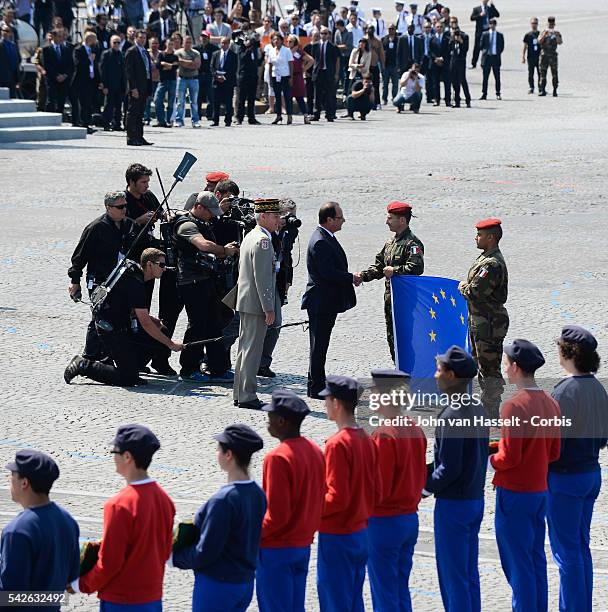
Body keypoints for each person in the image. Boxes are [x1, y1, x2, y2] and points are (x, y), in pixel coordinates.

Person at [70, 425, 176, 609]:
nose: (112, 457)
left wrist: (79, 585)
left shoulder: (118, 505)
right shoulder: (165, 500)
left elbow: (110, 563)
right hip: (152, 598)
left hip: (121, 601)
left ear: (127, 457)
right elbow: (165, 551)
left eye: (114, 451)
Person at [489, 339, 561, 612]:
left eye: (507, 364)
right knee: (534, 559)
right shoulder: (551, 404)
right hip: (539, 490)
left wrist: (490, 460)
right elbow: (553, 452)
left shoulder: (513, 406)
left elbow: (509, 458)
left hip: (514, 492)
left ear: (516, 368)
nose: (505, 369)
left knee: (517, 565)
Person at [172, 424, 266, 611]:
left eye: (218, 449)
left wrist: (173, 557)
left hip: (217, 585)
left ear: (228, 455)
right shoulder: (258, 494)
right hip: (244, 583)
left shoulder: (222, 501)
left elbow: (205, 552)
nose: (216, 453)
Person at [547, 326, 608, 612]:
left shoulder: (564, 391)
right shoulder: (598, 388)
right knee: (580, 548)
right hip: (590, 472)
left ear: (568, 352)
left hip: (565, 478)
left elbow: (552, 443)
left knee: (566, 551)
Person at [424, 346, 489, 612]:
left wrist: (421, 489)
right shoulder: (477, 408)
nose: (435, 374)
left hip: (453, 505)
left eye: (439, 370)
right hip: (474, 498)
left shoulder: (450, 415)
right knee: (468, 575)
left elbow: (448, 468)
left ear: (451, 376)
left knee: (453, 579)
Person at [64, 248, 183, 386]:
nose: (164, 268)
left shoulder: (135, 274)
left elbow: (129, 306)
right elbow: (145, 323)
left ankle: (132, 366)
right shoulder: (136, 284)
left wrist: (152, 320)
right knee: (128, 378)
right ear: (149, 264)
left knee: (161, 330)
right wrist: (171, 344)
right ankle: (83, 365)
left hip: (120, 322)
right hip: (111, 328)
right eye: (161, 265)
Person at [256, 389, 325, 612]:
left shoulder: (277, 458)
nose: (267, 422)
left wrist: (251, 536)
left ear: (282, 421)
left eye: (270, 418)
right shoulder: (315, 451)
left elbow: (276, 516)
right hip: (302, 544)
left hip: (277, 550)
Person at [367, 369, 426, 612]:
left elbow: (378, 489)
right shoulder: (415, 429)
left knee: (385, 593)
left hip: (384, 522)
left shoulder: (383, 434)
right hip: (409, 518)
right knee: (400, 588)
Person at [317, 375, 378, 611]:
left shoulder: (337, 444)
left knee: (335, 600)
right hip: (360, 531)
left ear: (336, 403)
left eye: (327, 400)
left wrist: (309, 511)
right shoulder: (367, 439)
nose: (324, 405)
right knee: (353, 599)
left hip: (337, 534)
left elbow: (335, 497)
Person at [223, 199, 282, 410]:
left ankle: (240, 392)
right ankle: (248, 395)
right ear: (263, 216)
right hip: (257, 303)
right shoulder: (263, 241)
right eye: (275, 216)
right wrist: (269, 308)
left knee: (244, 349)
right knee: (252, 351)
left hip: (246, 301)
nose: (279, 220)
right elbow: (263, 279)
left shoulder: (252, 236)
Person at [173, 192, 237, 382]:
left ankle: (218, 367)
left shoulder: (203, 221)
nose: (212, 216)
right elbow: (203, 245)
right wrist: (225, 250)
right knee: (197, 325)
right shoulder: (186, 225)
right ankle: (188, 368)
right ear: (200, 207)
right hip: (191, 281)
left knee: (213, 324)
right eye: (210, 212)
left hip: (206, 278)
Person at [67, 191, 138, 361]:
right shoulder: (96, 228)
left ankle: (111, 355)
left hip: (122, 279)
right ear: (108, 207)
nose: (124, 210)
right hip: (100, 280)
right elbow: (79, 257)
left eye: (125, 206)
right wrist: (75, 281)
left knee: (120, 316)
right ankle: (90, 356)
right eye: (120, 207)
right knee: (100, 316)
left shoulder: (129, 225)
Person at [0, 450, 79, 601]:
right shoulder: (68, 521)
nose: (9, 481)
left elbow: (10, 597)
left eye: (12, 476)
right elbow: (71, 579)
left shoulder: (16, 531)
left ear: (24, 483)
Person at [301, 202, 357, 399]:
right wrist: (351, 277)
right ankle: (316, 386)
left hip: (326, 301)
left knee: (321, 344)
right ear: (329, 219)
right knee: (318, 345)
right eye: (340, 218)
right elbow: (328, 272)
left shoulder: (326, 237)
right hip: (321, 302)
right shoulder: (320, 241)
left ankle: (317, 382)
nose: (343, 221)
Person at [358, 201, 424, 362]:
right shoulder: (390, 243)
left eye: (390, 218)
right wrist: (362, 276)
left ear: (402, 220)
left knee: (406, 340)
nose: (387, 221)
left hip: (405, 302)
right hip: (391, 300)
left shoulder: (412, 243)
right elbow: (380, 265)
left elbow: (416, 268)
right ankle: (399, 373)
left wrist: (395, 270)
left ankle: (410, 378)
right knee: (393, 339)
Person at [458, 217, 508, 418]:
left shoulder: (492, 264)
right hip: (481, 321)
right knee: (482, 366)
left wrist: (463, 287)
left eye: (479, 234)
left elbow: (475, 292)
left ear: (491, 237)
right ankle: (487, 408)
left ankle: (491, 411)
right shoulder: (485, 258)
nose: (476, 237)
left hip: (489, 323)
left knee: (490, 369)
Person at [258, 199, 300, 377]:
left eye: (293, 215)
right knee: (242, 323)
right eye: (285, 215)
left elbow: (287, 255)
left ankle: (263, 363)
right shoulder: (264, 230)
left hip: (278, 279)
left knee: (275, 323)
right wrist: (276, 229)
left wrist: (288, 281)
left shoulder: (292, 229)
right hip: (261, 279)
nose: (290, 219)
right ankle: (215, 358)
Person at [125, 29, 153, 145]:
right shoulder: (131, 51)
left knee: (140, 113)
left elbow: (148, 70)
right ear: (135, 38)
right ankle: (131, 137)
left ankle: (139, 136)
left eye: (144, 38)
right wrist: (133, 88)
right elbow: (129, 72)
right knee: (133, 112)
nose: (142, 40)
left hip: (144, 85)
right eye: (140, 37)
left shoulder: (145, 52)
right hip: (136, 87)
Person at [71, 31, 100, 134]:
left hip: (90, 80)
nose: (95, 42)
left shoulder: (92, 49)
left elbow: (95, 65)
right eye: (94, 39)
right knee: (82, 102)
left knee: (88, 103)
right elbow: (78, 63)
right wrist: (88, 59)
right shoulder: (78, 49)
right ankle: (81, 123)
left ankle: (87, 123)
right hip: (81, 80)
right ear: (89, 39)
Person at [310, 27, 339, 122]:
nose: (323, 35)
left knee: (329, 94)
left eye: (325, 33)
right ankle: (316, 114)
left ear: (329, 35)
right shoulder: (315, 45)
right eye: (322, 33)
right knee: (317, 94)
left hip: (328, 72)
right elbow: (313, 59)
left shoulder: (333, 46)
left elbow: (337, 61)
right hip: (318, 72)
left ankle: (329, 114)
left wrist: (336, 74)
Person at [43, 28, 73, 116]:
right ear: (53, 37)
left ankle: (59, 117)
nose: (62, 38)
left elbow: (70, 64)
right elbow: (47, 65)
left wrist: (65, 75)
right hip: (52, 79)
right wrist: (56, 75)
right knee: (51, 100)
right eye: (59, 36)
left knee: (61, 100)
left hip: (63, 79)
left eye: (62, 36)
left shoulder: (66, 49)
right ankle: (49, 118)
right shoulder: (46, 49)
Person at [174, 35, 202, 128]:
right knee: (180, 102)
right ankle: (179, 120)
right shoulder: (178, 52)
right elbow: (177, 63)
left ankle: (195, 120)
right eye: (186, 42)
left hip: (193, 79)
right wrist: (190, 63)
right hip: (182, 79)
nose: (188, 44)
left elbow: (196, 65)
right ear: (183, 43)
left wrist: (183, 62)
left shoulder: (196, 53)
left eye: (190, 42)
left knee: (194, 102)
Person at [100, 35, 126, 131]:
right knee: (108, 105)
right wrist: (104, 85)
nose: (116, 44)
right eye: (114, 42)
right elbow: (102, 70)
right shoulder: (106, 54)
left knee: (119, 106)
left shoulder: (121, 55)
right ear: (110, 43)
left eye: (118, 42)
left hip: (119, 85)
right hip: (109, 85)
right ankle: (106, 124)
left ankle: (117, 124)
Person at [210, 36, 238, 126]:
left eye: (225, 43)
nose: (223, 45)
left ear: (229, 44)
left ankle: (228, 120)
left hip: (228, 81)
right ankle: (215, 120)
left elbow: (234, 69)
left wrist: (224, 77)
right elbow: (212, 67)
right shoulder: (215, 54)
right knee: (216, 101)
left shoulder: (233, 55)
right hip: (217, 81)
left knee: (228, 102)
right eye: (222, 43)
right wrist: (216, 76)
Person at [236, 34, 262, 125]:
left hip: (253, 77)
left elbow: (257, 62)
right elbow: (242, 59)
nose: (251, 44)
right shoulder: (241, 49)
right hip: (243, 77)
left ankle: (251, 117)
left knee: (251, 99)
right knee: (241, 99)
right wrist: (247, 49)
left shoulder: (254, 50)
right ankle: (239, 117)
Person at [268, 33, 294, 124]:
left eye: (278, 39)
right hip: (276, 75)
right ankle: (278, 115)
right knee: (277, 97)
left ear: (282, 41)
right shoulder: (271, 51)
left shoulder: (287, 50)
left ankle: (289, 115)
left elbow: (290, 64)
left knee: (287, 96)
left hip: (285, 75)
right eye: (274, 40)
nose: (276, 41)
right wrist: (270, 77)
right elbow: (270, 65)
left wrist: (291, 77)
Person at [287, 35, 313, 124]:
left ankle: (305, 116)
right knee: (288, 97)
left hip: (297, 76)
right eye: (288, 41)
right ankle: (289, 116)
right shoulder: (287, 51)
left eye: (290, 41)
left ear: (295, 42)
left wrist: (304, 69)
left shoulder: (299, 52)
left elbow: (311, 60)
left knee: (299, 97)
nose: (288, 43)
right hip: (288, 76)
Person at [154, 38, 179, 127]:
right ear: (166, 44)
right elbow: (157, 65)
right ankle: (161, 120)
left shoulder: (175, 56)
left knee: (171, 102)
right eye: (169, 44)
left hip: (172, 81)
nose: (170, 46)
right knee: (157, 100)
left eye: (172, 44)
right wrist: (168, 65)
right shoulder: (161, 55)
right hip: (162, 81)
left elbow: (175, 67)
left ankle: (169, 120)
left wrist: (165, 64)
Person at [195, 30, 218, 121]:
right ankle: (198, 114)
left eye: (205, 37)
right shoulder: (196, 48)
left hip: (209, 74)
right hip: (199, 74)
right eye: (202, 37)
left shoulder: (214, 49)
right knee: (198, 96)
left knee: (210, 96)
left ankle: (210, 114)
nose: (204, 39)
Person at [470, 0, 499, 68]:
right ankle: (474, 63)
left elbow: (497, 15)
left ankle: (484, 63)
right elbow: (472, 18)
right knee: (477, 47)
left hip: (488, 31)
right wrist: (479, 15)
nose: (485, 1)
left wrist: (493, 6)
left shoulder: (490, 9)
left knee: (486, 47)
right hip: (479, 31)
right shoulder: (476, 9)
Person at [479, 18, 503, 100]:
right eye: (490, 24)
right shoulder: (485, 34)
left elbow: (501, 47)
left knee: (497, 77)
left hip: (495, 57)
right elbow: (481, 45)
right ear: (489, 25)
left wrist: (496, 52)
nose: (492, 25)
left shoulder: (499, 35)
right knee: (485, 77)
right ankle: (484, 93)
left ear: (495, 25)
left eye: (493, 24)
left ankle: (498, 93)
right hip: (487, 57)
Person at [538, 16, 562, 97]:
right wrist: (544, 35)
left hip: (553, 55)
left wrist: (557, 35)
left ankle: (555, 90)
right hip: (544, 55)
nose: (551, 25)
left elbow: (560, 42)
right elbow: (539, 41)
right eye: (549, 24)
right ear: (547, 24)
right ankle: (542, 90)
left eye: (552, 24)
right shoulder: (543, 32)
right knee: (542, 73)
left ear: (554, 24)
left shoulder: (557, 33)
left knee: (554, 73)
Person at [449, 24, 471, 108]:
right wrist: (453, 39)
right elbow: (449, 48)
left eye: (456, 29)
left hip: (461, 61)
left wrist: (461, 41)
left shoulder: (465, 36)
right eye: (453, 29)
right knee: (454, 81)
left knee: (462, 80)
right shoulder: (451, 37)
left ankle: (468, 100)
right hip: (453, 61)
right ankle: (457, 101)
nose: (455, 31)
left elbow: (466, 49)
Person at [430, 21, 451, 107]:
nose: (439, 28)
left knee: (447, 82)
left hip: (444, 63)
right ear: (435, 28)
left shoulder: (447, 38)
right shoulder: (432, 38)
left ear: (443, 28)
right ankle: (437, 99)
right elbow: (430, 50)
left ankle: (448, 100)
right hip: (435, 63)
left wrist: (443, 58)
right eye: (437, 27)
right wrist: (435, 58)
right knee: (436, 83)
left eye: (440, 27)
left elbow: (448, 50)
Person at [364, 25, 384, 109]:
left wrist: (382, 65)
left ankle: (377, 103)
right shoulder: (364, 40)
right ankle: (366, 103)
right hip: (365, 66)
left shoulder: (377, 41)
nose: (370, 31)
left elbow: (381, 54)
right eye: (369, 29)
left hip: (374, 65)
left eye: (372, 29)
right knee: (365, 85)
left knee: (376, 85)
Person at [334, 19, 353, 95]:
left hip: (347, 56)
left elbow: (348, 46)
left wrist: (338, 47)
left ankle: (346, 91)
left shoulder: (349, 33)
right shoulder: (337, 32)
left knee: (347, 75)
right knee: (339, 73)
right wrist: (339, 47)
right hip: (339, 56)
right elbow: (336, 44)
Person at [381, 24, 399, 105]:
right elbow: (381, 52)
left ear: (395, 30)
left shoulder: (398, 39)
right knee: (385, 84)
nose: (391, 30)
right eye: (389, 28)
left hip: (395, 65)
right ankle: (384, 99)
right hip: (386, 65)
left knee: (395, 84)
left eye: (392, 29)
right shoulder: (384, 39)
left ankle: (395, 98)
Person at [522, 17, 541, 94]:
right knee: (531, 73)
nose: (534, 25)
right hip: (530, 57)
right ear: (530, 24)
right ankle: (531, 87)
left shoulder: (540, 34)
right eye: (533, 23)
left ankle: (541, 88)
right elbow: (525, 46)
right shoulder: (528, 35)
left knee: (540, 73)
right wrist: (523, 56)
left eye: (535, 23)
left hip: (539, 57)